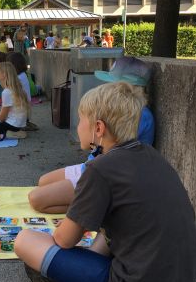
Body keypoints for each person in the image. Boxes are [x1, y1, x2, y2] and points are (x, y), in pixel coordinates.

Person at [15, 81, 196, 282]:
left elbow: (64, 240)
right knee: (104, 235)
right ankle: (84, 273)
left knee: (25, 240)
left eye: (80, 120)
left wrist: (65, 229)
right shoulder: (152, 155)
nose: (78, 126)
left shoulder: (100, 169)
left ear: (98, 128)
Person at [28, 57, 155, 214]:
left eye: (111, 83)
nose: (105, 87)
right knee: (43, 182)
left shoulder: (138, 115)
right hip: (93, 166)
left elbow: (114, 156)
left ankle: (99, 206)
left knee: (37, 199)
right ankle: (94, 204)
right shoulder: (119, 109)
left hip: (105, 175)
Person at [7, 52, 38, 131]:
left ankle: (22, 124)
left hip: (21, 113)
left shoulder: (17, 79)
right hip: (25, 111)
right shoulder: (23, 74)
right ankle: (25, 122)